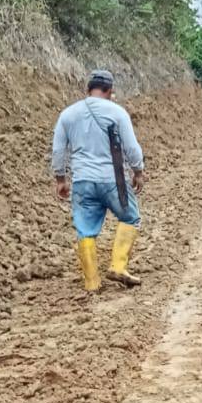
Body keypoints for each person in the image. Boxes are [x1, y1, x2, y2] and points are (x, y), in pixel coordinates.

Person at [51, 69, 145, 292]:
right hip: (113, 180)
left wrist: (60, 179)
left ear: (88, 89)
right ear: (110, 91)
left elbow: (58, 151)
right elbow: (131, 147)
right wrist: (138, 171)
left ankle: (92, 282)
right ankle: (118, 267)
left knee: (85, 230)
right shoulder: (118, 112)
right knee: (130, 218)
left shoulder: (68, 114)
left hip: (82, 181)